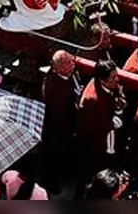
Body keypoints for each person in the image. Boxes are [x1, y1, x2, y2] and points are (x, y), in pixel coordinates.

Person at [76, 60, 125, 193]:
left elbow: (116, 97)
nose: (117, 79)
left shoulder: (109, 86)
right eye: (113, 78)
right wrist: (111, 123)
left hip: (107, 139)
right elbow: (88, 127)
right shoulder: (91, 100)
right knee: (92, 176)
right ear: (102, 80)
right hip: (95, 146)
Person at [40, 50, 80, 193]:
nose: (73, 64)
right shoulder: (55, 87)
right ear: (60, 67)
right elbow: (60, 112)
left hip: (64, 126)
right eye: (69, 63)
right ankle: (51, 184)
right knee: (54, 157)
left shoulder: (68, 75)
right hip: (57, 128)